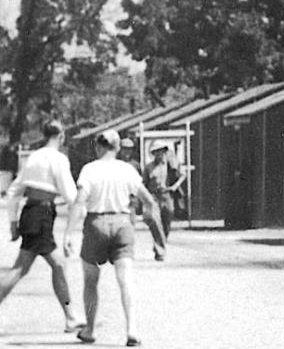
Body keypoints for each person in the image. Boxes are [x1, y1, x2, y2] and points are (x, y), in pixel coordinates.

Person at [66, 130, 164, 346]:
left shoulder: (89, 169)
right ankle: (132, 330)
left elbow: (79, 201)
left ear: (98, 147)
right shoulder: (127, 169)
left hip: (96, 224)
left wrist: (68, 234)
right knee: (126, 280)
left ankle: (90, 330)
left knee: (91, 281)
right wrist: (149, 215)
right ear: (118, 147)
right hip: (122, 224)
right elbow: (147, 199)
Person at [0, 120, 84, 333]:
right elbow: (70, 194)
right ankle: (71, 317)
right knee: (22, 269)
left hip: (31, 212)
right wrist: (81, 210)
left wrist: (12, 221)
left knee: (54, 266)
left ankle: (71, 317)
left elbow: (14, 191)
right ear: (62, 135)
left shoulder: (33, 157)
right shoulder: (59, 159)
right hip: (43, 215)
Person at [121, 138, 166, 261]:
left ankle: (128, 251)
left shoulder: (135, 165)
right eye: (124, 149)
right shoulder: (115, 163)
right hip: (118, 198)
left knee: (130, 225)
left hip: (131, 199)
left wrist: (140, 202)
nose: (127, 152)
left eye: (129, 150)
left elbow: (140, 184)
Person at [143, 143, 181, 238]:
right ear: (154, 153)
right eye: (157, 151)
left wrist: (175, 186)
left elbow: (183, 175)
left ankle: (164, 239)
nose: (160, 154)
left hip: (166, 195)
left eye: (162, 151)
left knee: (168, 218)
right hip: (154, 196)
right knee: (155, 220)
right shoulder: (148, 167)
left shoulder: (170, 164)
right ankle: (159, 241)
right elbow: (144, 183)